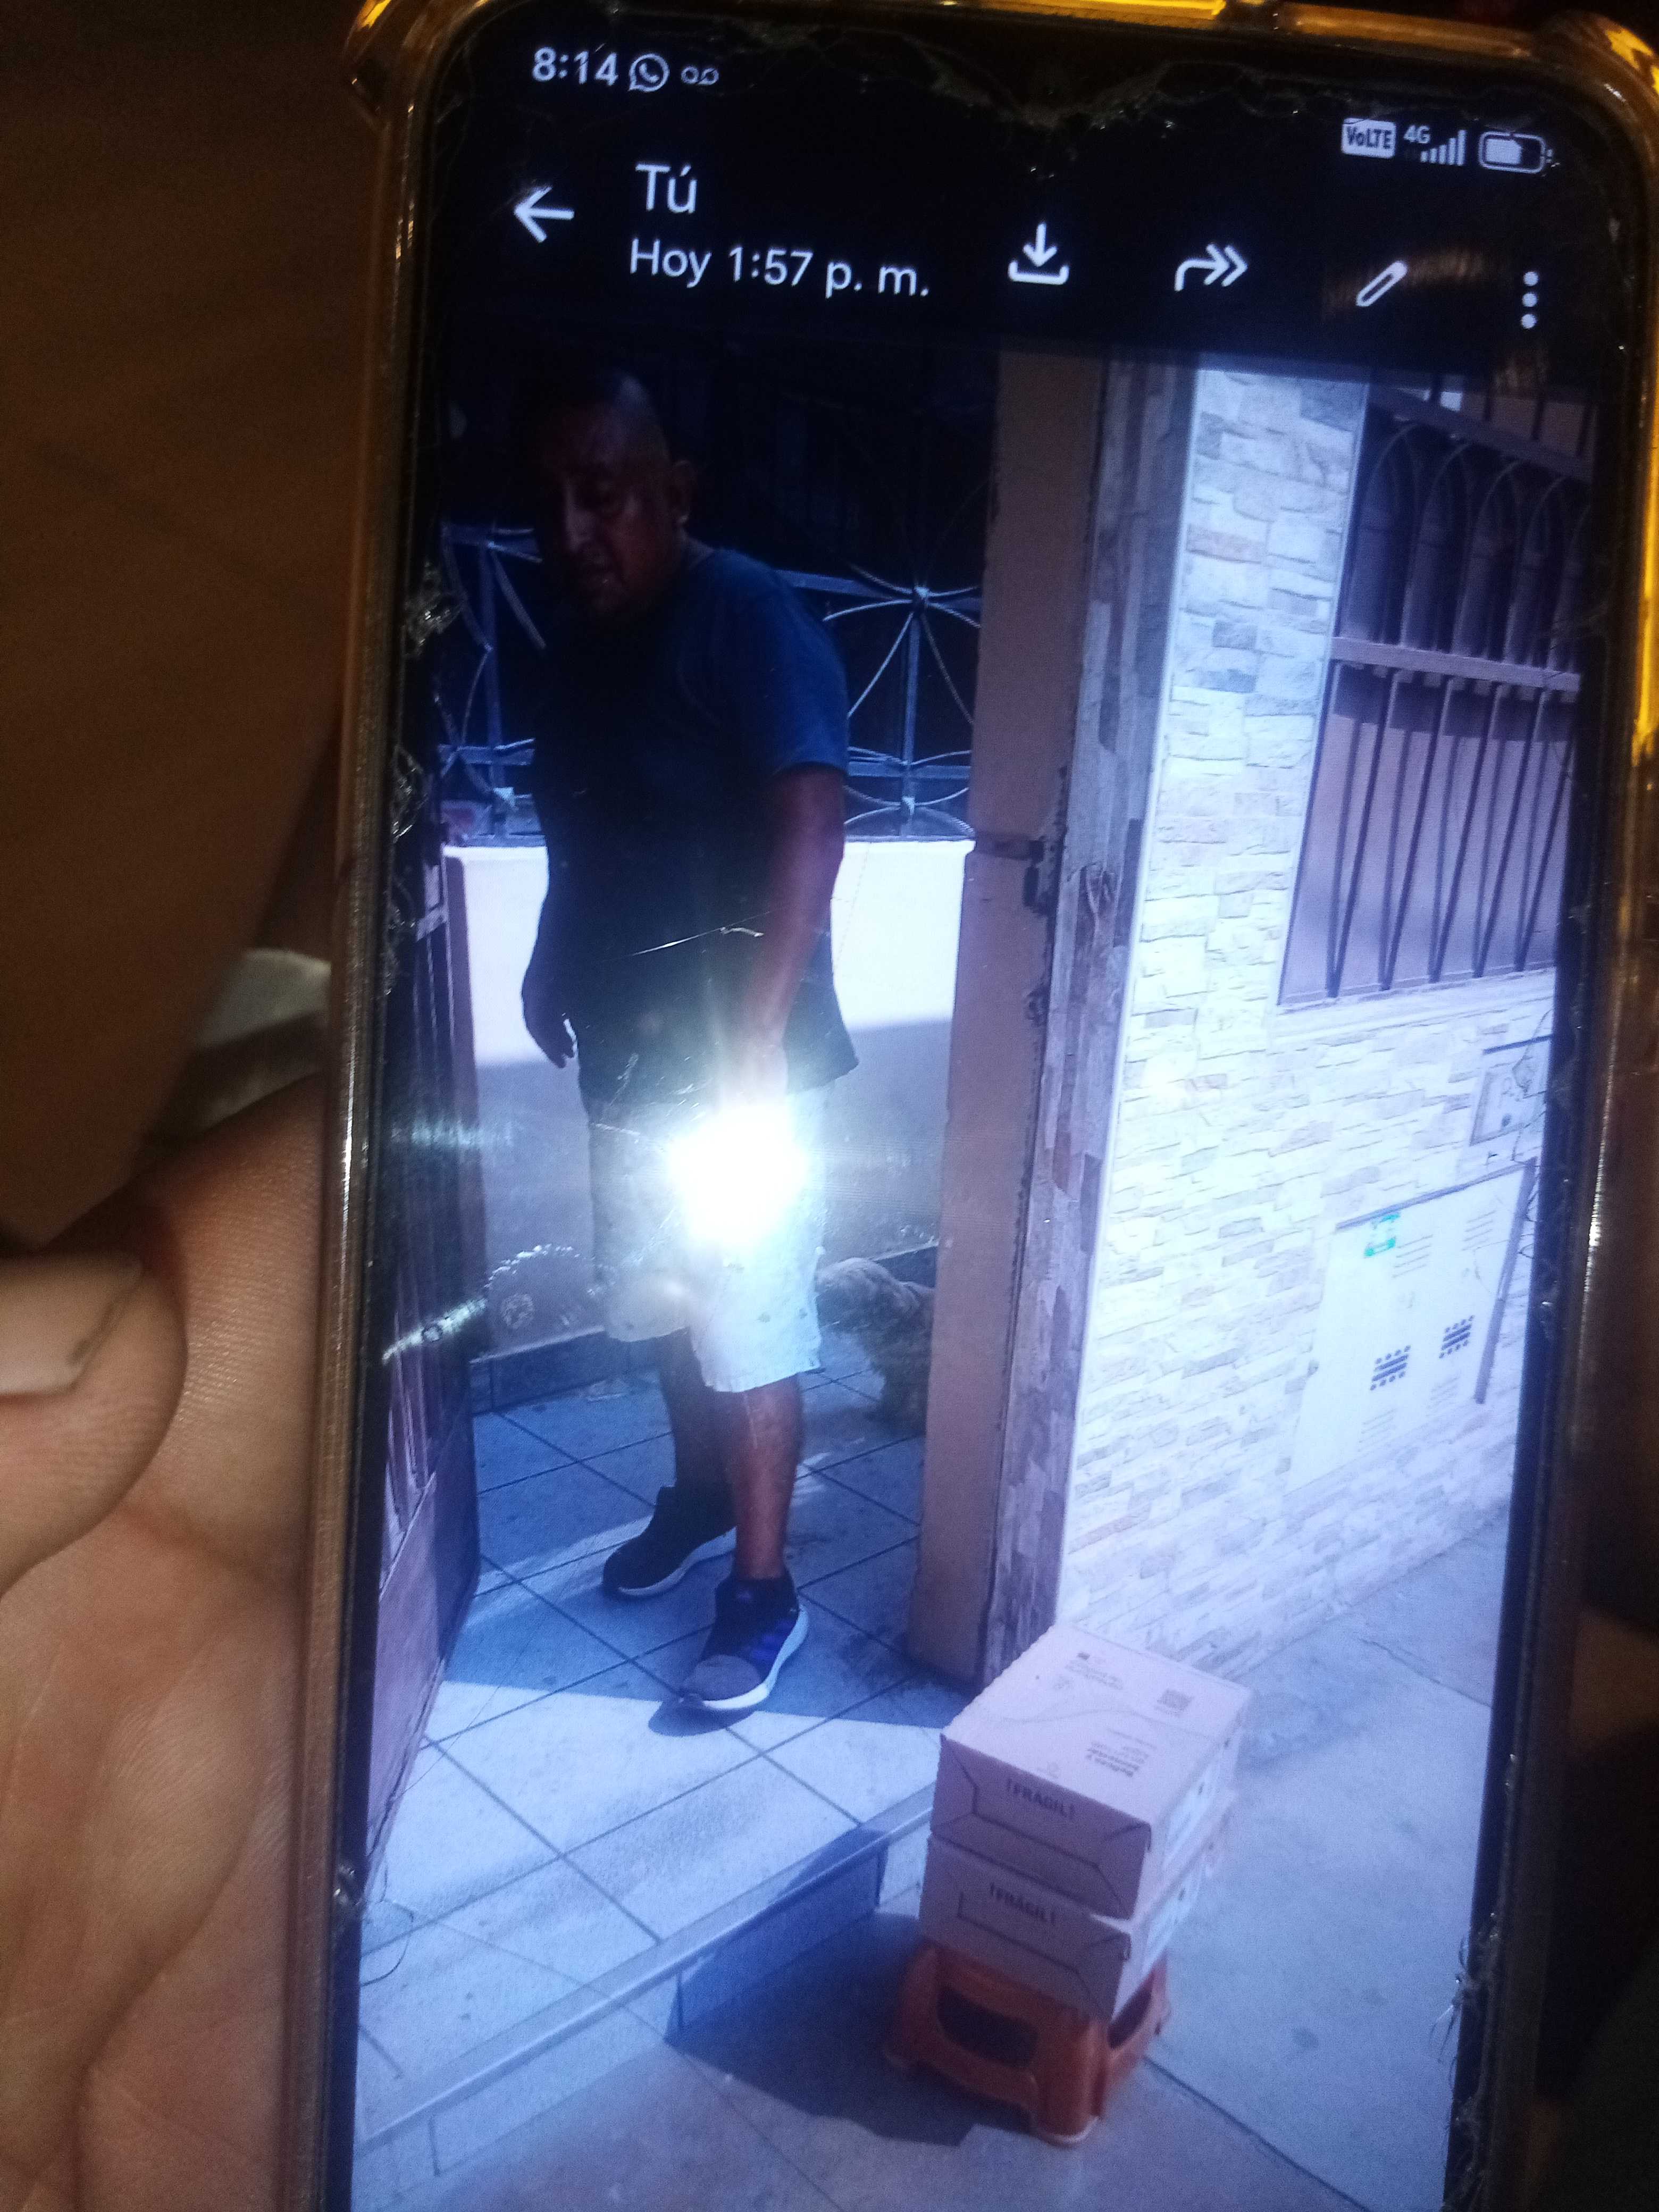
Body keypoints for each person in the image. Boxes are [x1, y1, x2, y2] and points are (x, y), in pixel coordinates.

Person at [516, 357, 856, 1714]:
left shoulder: (745, 615)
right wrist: (549, 954)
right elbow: (580, 832)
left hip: (742, 1068)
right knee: (664, 1299)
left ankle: (766, 1590)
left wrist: (758, 1044)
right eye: (548, 501)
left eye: (600, 495)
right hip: (631, 1054)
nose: (571, 532)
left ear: (675, 489)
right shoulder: (576, 652)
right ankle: (703, 1498)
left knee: (750, 1318)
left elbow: (813, 819)